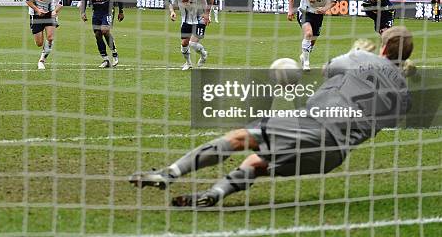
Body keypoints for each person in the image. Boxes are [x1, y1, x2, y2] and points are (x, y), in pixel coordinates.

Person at [130, 26, 414, 207]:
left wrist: (357, 54)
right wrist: (400, 74)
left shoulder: (361, 57)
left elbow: (328, 70)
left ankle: (170, 173)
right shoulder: (404, 96)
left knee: (241, 138)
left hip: (314, 123)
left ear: (384, 48)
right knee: (258, 162)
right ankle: (214, 195)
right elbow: (387, 118)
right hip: (335, 154)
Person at [287, 0, 336, 71]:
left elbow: (333, 2)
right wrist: (290, 9)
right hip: (304, 12)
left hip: (318, 15)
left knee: (312, 41)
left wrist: (325, 9)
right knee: (308, 34)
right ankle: (306, 64)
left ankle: (303, 56)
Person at [80, 0, 124, 68]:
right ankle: (105, 59)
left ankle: (114, 53)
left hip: (108, 11)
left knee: (105, 30)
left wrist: (121, 11)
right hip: (96, 13)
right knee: (97, 34)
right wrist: (83, 12)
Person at [169, 0, 212, 71]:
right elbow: (172, 4)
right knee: (184, 43)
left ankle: (203, 54)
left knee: (192, 43)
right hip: (186, 20)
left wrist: (207, 14)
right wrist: (172, 12)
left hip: (200, 18)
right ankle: (188, 63)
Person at [24, 0, 63, 70]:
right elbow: (27, 0)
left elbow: (60, 2)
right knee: (39, 43)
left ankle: (42, 60)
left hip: (50, 13)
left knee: (50, 38)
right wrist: (37, 10)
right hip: (35, 14)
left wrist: (55, 11)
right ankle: (42, 47)